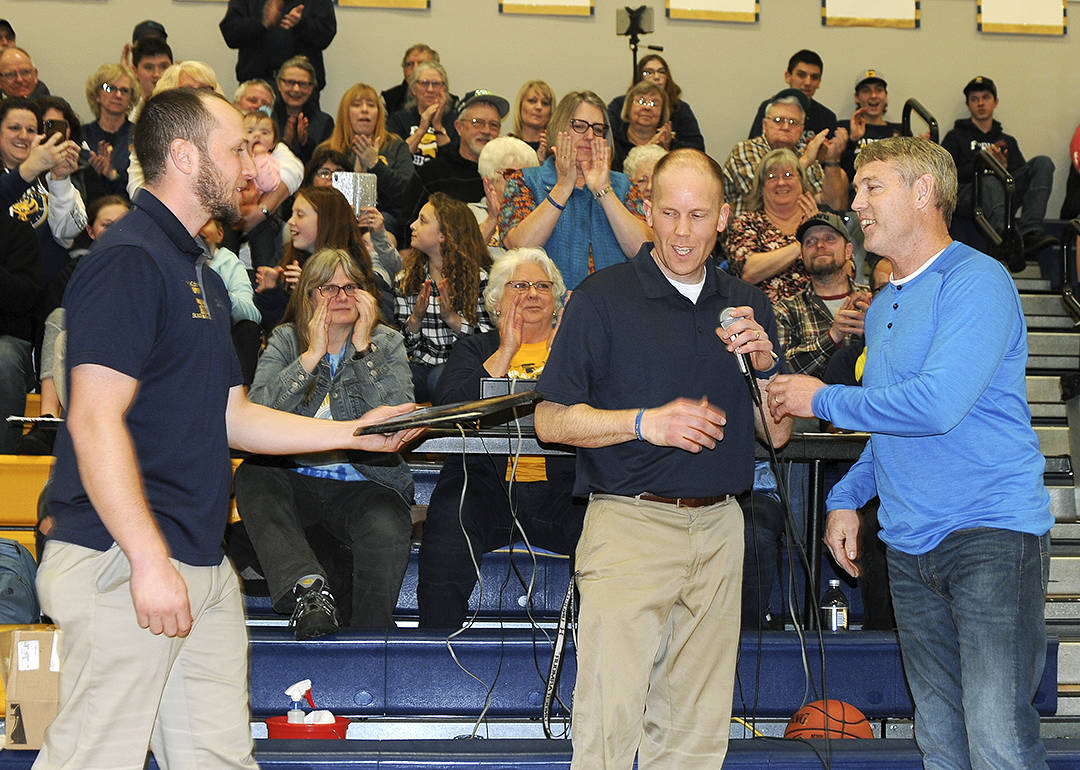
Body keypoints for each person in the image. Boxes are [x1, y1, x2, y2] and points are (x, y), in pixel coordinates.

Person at [36, 87, 421, 770]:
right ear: (184, 156)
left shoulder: (203, 274)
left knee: (218, 759)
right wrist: (149, 561)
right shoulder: (130, 260)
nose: (254, 159)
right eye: (238, 145)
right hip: (124, 558)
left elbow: (233, 416)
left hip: (198, 563)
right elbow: (93, 419)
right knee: (94, 758)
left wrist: (354, 433)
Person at [767, 136, 1053, 770]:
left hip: (990, 537)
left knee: (998, 738)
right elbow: (894, 424)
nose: (856, 205)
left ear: (924, 192)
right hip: (909, 544)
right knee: (941, 740)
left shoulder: (977, 281)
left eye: (873, 188)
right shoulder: (887, 302)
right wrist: (845, 497)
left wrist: (825, 399)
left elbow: (936, 405)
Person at [534, 148, 791, 768]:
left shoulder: (747, 304)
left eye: (698, 216)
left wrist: (766, 366)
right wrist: (647, 423)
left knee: (697, 733)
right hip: (629, 525)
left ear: (725, 217)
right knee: (609, 724)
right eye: (669, 213)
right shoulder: (602, 298)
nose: (682, 231)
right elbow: (550, 420)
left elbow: (775, 437)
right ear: (646, 210)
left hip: (721, 528)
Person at [236, 248, 414, 639]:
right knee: (253, 476)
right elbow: (257, 415)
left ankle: (371, 639)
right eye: (327, 288)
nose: (341, 297)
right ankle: (308, 592)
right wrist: (312, 355)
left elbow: (399, 418)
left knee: (386, 520)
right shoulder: (287, 339)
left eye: (350, 287)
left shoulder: (387, 342)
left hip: (365, 481)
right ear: (308, 297)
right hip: (294, 479)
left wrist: (364, 348)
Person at [416, 247, 584, 628]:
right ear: (496, 299)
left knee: (605, 533)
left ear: (557, 299)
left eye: (543, 286)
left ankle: (593, 660)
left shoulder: (576, 352)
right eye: (520, 285)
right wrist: (506, 350)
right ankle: (438, 653)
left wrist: (564, 356)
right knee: (447, 528)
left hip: (565, 491)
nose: (532, 293)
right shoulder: (475, 348)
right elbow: (449, 408)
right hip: (485, 487)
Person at [500, 90, 651, 290]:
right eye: (579, 126)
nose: (590, 136)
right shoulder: (525, 181)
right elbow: (520, 247)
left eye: (598, 129)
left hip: (616, 307)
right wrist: (562, 187)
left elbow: (643, 250)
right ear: (559, 129)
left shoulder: (625, 185)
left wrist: (603, 190)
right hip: (548, 311)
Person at [942, 75, 1057, 260]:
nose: (980, 103)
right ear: (968, 104)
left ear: (995, 102)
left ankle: (1030, 232)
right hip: (968, 195)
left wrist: (1003, 169)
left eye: (985, 97)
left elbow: (1019, 177)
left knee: (1043, 163)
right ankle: (1006, 239)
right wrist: (983, 165)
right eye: (974, 99)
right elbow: (946, 176)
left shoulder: (1007, 140)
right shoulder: (955, 136)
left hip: (1002, 194)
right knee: (987, 179)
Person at [256, 185, 395, 331]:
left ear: (326, 221)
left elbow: (381, 323)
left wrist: (311, 291)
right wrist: (270, 292)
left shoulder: (356, 269)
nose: (291, 221)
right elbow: (279, 332)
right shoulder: (287, 259)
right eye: (292, 214)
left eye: (300, 215)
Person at [395, 192, 493, 401]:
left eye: (422, 221)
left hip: (464, 367)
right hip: (421, 366)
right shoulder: (406, 279)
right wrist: (415, 319)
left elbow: (488, 341)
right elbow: (402, 348)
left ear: (444, 234)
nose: (412, 225)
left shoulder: (479, 279)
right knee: (396, 378)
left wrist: (452, 319)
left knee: (440, 379)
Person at [774, 211, 869, 379]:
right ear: (802, 255)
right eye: (810, 241)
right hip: (810, 404)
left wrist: (873, 332)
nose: (819, 245)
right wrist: (832, 337)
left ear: (848, 251)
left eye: (829, 238)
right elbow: (781, 371)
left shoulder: (872, 300)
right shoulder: (785, 310)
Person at [722, 91, 847, 217]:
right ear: (765, 126)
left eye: (793, 122)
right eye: (778, 120)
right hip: (751, 231)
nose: (786, 127)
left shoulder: (803, 154)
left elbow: (832, 204)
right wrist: (806, 160)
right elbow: (760, 196)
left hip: (798, 232)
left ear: (802, 130)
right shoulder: (745, 150)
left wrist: (832, 160)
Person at [317, 81, 418, 233]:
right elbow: (317, 194)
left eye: (371, 105)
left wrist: (375, 164)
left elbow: (407, 194)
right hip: (335, 219)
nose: (364, 110)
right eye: (357, 105)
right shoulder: (327, 150)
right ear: (346, 112)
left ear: (379, 113)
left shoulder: (396, 146)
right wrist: (357, 170)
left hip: (384, 221)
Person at [724, 148, 818, 303]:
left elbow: (847, 270)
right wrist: (801, 243)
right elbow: (747, 272)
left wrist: (817, 227)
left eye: (788, 175)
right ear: (761, 187)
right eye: (772, 177)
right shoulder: (747, 223)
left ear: (802, 182)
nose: (781, 182)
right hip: (764, 317)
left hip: (818, 315)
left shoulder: (820, 220)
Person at [416, 89, 508, 207]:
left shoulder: (505, 174)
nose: (486, 131)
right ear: (459, 127)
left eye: (493, 125)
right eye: (477, 122)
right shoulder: (433, 173)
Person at [220, 0, 337, 91]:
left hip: (300, 88)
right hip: (256, 85)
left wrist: (301, 24)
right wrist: (261, 23)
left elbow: (326, 36)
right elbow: (231, 35)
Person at [0, 202, 41, 454]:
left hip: (9, 340)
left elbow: (25, 300)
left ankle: (3, 462)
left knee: (3, 358)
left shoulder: (19, 234)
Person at [607, 54, 704, 153]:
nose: (656, 77)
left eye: (661, 72)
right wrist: (649, 147)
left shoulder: (681, 108)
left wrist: (668, 145)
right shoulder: (618, 105)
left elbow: (697, 149)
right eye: (648, 72)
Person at [82, 62, 140, 202]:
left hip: (128, 211)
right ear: (97, 95)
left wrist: (112, 175)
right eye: (110, 88)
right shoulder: (81, 135)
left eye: (125, 90)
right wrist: (93, 174)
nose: (118, 95)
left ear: (131, 99)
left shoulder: (139, 136)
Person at [747, 49, 837, 140]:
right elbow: (754, 146)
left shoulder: (827, 117)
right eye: (801, 75)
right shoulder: (770, 107)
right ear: (788, 77)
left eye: (814, 77)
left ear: (819, 82)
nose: (808, 82)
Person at [387, 60, 457, 167]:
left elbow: (455, 164)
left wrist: (437, 126)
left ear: (444, 89)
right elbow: (397, 159)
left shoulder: (456, 121)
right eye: (424, 83)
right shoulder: (399, 119)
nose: (430, 89)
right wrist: (422, 129)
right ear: (414, 89)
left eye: (436, 84)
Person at [838, 68, 902, 185]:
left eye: (879, 90)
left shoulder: (900, 130)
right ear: (857, 97)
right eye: (866, 91)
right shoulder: (844, 128)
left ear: (886, 95)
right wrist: (853, 140)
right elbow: (842, 173)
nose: (873, 95)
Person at [473, 135, 540, 247]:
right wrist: (492, 219)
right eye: (512, 175)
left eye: (528, 176)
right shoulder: (470, 214)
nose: (520, 183)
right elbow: (461, 258)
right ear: (488, 181)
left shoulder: (542, 214)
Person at [271, 55, 334, 166]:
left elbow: (325, 164)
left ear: (312, 88)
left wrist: (305, 142)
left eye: (303, 84)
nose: (296, 89)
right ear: (279, 83)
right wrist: (285, 142)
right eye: (290, 82)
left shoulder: (324, 122)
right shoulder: (268, 116)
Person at [611, 80, 675, 173]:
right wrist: (648, 149)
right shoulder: (612, 143)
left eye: (654, 103)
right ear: (629, 107)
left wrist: (664, 153)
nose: (647, 107)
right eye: (641, 101)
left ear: (662, 112)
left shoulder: (672, 147)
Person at [382, 43, 439, 116]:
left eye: (421, 64)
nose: (415, 69)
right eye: (409, 64)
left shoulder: (452, 103)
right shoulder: (387, 100)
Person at [510, 79, 554, 159]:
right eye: (532, 101)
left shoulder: (555, 152)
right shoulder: (507, 146)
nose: (539, 107)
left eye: (545, 103)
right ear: (520, 106)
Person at [130, 36, 173, 118]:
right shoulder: (126, 113)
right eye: (149, 67)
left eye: (164, 66)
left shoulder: (183, 110)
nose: (157, 74)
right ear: (135, 71)